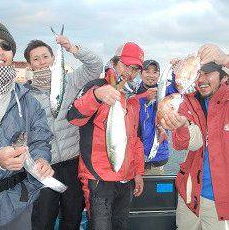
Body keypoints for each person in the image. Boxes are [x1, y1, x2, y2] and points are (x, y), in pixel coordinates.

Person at [0, 19, 54, 229]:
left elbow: (41, 139)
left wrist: (41, 160)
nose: (0, 50)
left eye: (6, 46)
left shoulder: (28, 99)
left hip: (17, 206)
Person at [23, 36, 103, 229]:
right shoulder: (24, 94)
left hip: (73, 163)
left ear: (53, 58)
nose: (42, 62)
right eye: (36, 59)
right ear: (30, 65)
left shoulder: (70, 81)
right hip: (42, 167)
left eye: (45, 56)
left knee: (72, 218)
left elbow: (95, 66)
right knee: (42, 220)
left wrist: (72, 48)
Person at [67, 42, 145, 230]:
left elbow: (135, 140)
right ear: (115, 62)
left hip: (125, 179)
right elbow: (73, 117)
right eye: (126, 66)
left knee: (121, 226)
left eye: (135, 69)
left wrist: (138, 173)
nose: (130, 72)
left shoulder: (133, 99)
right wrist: (96, 95)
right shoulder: (96, 87)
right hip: (99, 178)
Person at [161, 47, 229, 229]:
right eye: (199, 73)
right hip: (190, 196)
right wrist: (182, 126)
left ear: (223, 77)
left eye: (208, 73)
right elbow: (186, 143)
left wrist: (225, 59)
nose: (202, 80)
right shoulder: (188, 101)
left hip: (221, 203)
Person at [137, 60, 178, 175]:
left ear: (159, 75)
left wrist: (175, 70)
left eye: (155, 72)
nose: (151, 75)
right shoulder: (133, 93)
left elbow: (177, 88)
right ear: (141, 74)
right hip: (135, 156)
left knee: (154, 190)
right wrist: (144, 97)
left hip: (157, 156)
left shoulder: (165, 92)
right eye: (147, 71)